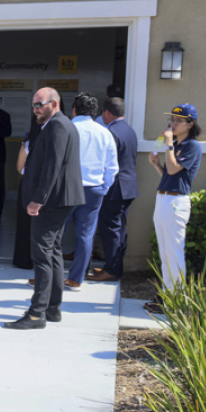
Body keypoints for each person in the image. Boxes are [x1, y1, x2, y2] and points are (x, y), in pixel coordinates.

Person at [5, 88, 83, 329]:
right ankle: (52, 308)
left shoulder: (58, 125)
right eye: (34, 105)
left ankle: (37, 313)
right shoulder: (57, 124)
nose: (36, 109)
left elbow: (53, 165)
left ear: (55, 103)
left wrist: (39, 199)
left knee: (41, 256)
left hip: (51, 202)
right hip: (59, 200)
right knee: (52, 252)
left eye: (40, 104)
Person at [144, 103, 204, 314]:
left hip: (176, 203)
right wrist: (156, 165)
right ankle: (167, 295)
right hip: (165, 198)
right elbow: (170, 175)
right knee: (165, 252)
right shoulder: (178, 144)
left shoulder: (192, 146)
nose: (173, 124)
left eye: (179, 120)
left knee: (174, 252)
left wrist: (168, 146)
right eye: (172, 120)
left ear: (190, 124)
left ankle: (176, 300)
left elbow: (174, 168)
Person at [63, 93, 118, 290]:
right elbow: (112, 167)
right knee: (85, 235)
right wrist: (104, 187)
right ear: (95, 112)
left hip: (67, 188)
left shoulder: (67, 128)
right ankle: (76, 278)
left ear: (74, 109)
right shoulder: (104, 132)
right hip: (94, 189)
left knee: (54, 234)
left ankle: (48, 276)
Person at [88, 97, 138, 282]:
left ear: (108, 112)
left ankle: (112, 269)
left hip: (115, 188)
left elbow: (106, 163)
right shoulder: (129, 130)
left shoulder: (110, 132)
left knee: (110, 229)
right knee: (120, 229)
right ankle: (114, 266)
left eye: (103, 113)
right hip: (129, 186)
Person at [12, 118, 42, 271]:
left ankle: (23, 259)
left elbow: (19, 167)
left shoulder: (28, 144)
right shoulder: (51, 143)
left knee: (25, 224)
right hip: (44, 186)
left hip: (27, 185)